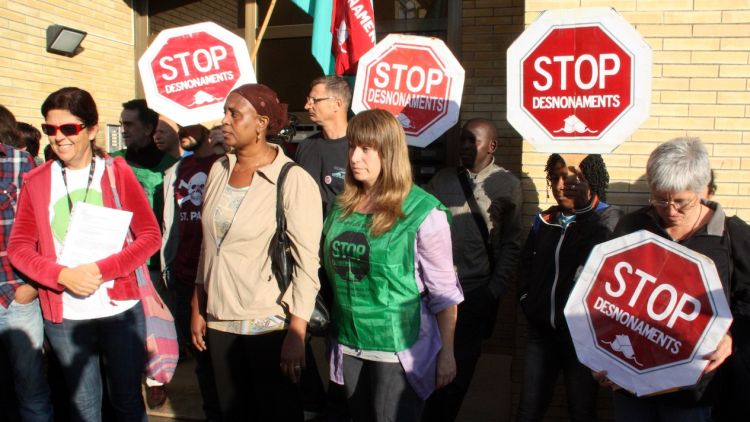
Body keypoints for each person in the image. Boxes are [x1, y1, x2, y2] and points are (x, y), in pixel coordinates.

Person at [7, 87, 161, 421]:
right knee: (84, 408)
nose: (58, 138)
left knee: (126, 403)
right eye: (51, 129)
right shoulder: (36, 180)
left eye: (69, 128)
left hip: (119, 309)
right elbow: (19, 248)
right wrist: (62, 276)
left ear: (91, 130)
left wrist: (101, 270)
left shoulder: (118, 173)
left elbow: (149, 236)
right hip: (65, 315)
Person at [190, 83, 322, 421]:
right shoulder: (219, 169)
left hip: (268, 324)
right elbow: (209, 245)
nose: (225, 121)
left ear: (262, 122)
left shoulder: (291, 179)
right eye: (224, 112)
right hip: (220, 320)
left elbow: (307, 265)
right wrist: (198, 303)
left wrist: (297, 331)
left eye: (235, 113)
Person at [323, 109, 463, 421]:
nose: (355, 157)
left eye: (366, 149)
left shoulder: (425, 212)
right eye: (351, 147)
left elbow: (444, 293)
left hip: (397, 349)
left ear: (389, 152)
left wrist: (448, 353)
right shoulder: (341, 208)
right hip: (348, 342)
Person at [599, 137, 747, 422]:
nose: (669, 210)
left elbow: (747, 303)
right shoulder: (632, 227)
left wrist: (732, 336)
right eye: (659, 199)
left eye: (681, 202)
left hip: (693, 391)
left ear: (702, 190)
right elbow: (603, 296)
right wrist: (600, 355)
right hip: (633, 385)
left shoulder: (732, 236)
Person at [422, 118, 522, 421]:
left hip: (475, 292)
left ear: (492, 146)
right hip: (436, 293)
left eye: (472, 141)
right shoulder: (442, 179)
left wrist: (493, 291)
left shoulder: (507, 184)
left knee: (458, 374)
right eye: (462, 140)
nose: (464, 146)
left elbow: (512, 244)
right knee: (430, 366)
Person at [516, 153, 611, 422]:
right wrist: (527, 299)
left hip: (582, 336)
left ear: (590, 180)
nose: (561, 184)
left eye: (569, 177)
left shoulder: (607, 219)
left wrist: (583, 210)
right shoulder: (545, 219)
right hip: (542, 332)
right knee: (528, 409)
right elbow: (526, 265)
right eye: (555, 177)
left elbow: (602, 258)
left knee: (581, 410)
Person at [112, 99, 177, 408]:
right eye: (122, 124)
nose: (124, 130)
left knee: (157, 324)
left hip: (154, 260)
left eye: (129, 125)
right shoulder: (113, 163)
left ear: (149, 128)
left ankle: (156, 378)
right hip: (119, 259)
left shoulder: (170, 166)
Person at [161, 124, 221, 421]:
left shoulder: (226, 165)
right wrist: (167, 265)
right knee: (202, 360)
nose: (182, 128)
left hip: (218, 279)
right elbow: (171, 225)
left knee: (224, 362)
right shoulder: (176, 171)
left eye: (189, 123)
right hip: (184, 276)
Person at [0, 105, 52, 422]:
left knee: (32, 391)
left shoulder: (19, 161)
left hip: (15, 295)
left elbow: (43, 227)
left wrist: (32, 286)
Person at [296, 75, 351, 215]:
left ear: (337, 104)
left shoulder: (359, 148)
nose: (307, 105)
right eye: (308, 100)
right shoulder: (305, 146)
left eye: (314, 100)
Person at [577, 154, 623, 230]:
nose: (560, 186)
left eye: (577, 178)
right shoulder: (555, 214)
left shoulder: (610, 214)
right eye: (555, 178)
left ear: (590, 179)